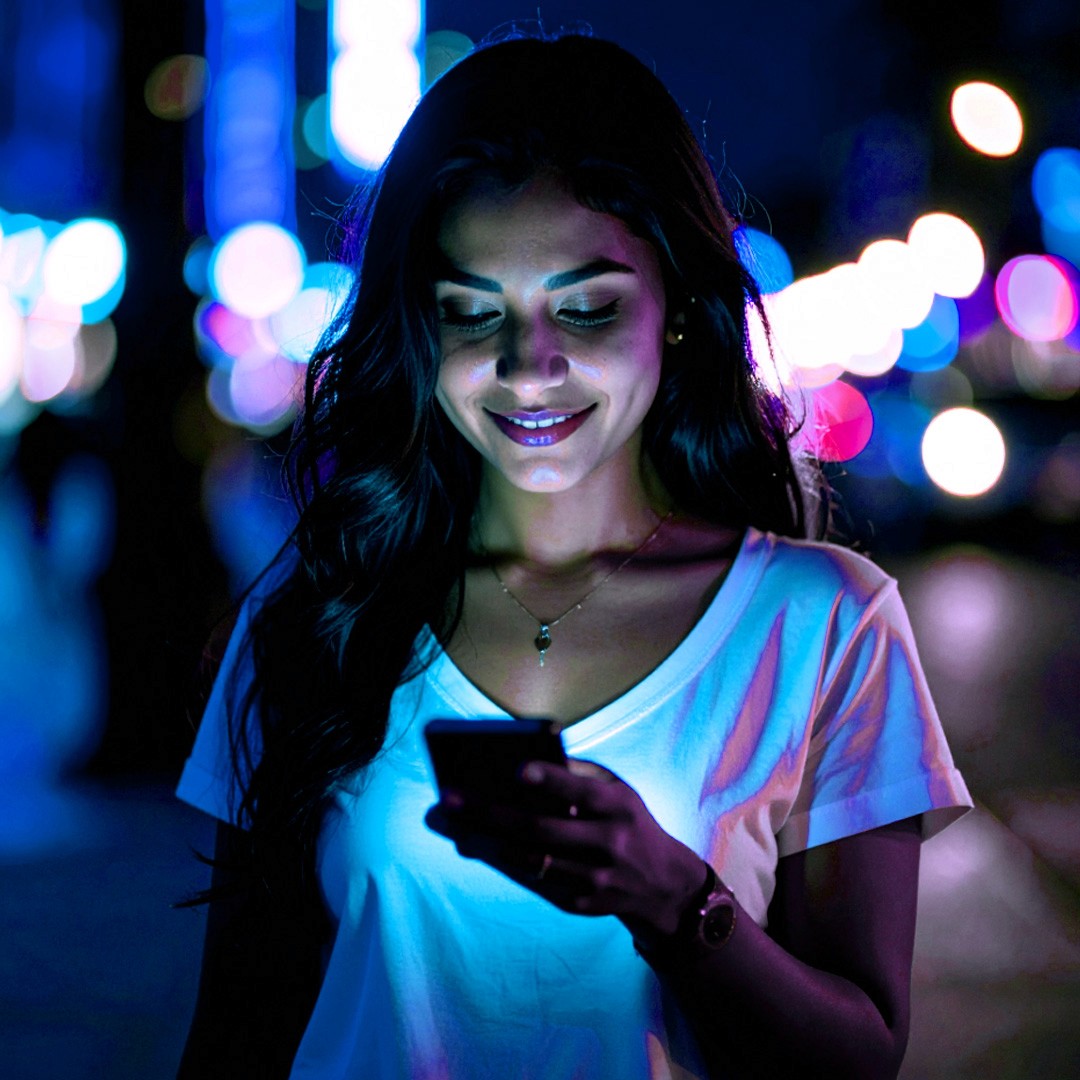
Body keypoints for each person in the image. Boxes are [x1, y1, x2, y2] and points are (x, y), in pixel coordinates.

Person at [176, 30, 972, 1080]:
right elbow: (237, 1028)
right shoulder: (321, 615)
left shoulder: (826, 624)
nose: (527, 368)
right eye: (472, 314)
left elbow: (859, 1056)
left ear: (680, 311)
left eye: (586, 308)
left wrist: (669, 897)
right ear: (418, 329)